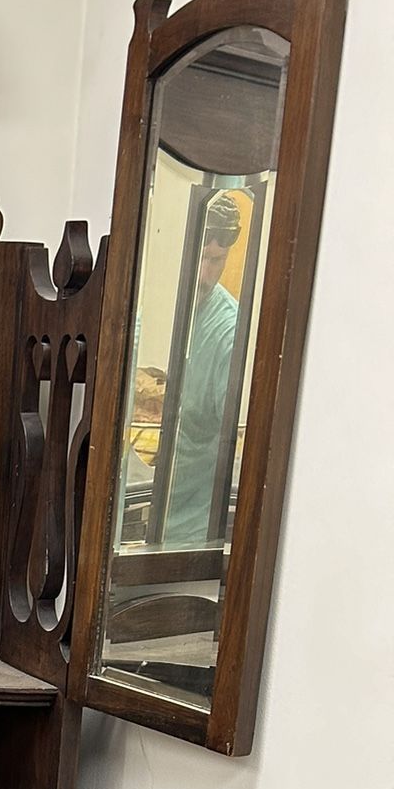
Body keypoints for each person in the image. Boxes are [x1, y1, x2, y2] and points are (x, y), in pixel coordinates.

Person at [159, 189, 244, 547]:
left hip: (192, 527)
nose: (207, 273)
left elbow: (231, 436)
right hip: (152, 499)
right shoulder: (170, 301)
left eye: (217, 260)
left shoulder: (228, 331)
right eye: (203, 258)